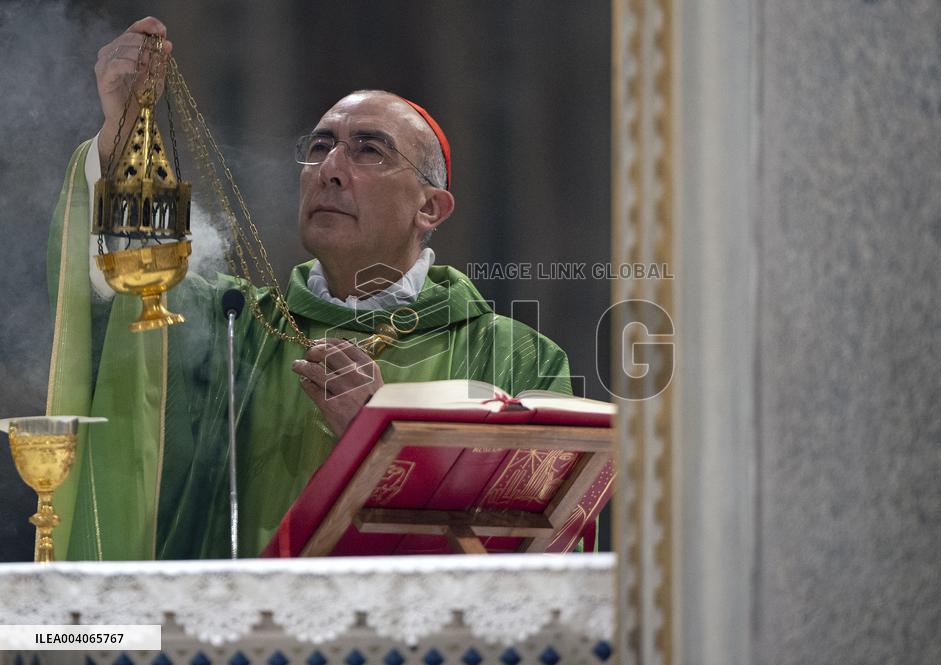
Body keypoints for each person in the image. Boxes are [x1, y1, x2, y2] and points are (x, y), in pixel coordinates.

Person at [47, 17, 572, 560]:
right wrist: (125, 131)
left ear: (429, 207)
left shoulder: (512, 356)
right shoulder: (234, 327)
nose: (330, 170)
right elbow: (122, 289)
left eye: (369, 150)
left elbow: (544, 548)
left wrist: (384, 440)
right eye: (321, 147)